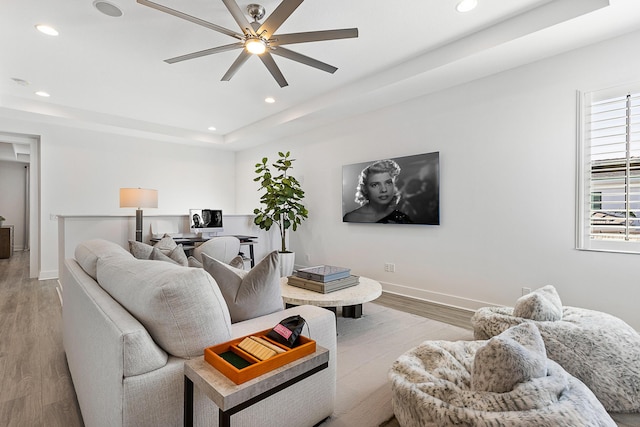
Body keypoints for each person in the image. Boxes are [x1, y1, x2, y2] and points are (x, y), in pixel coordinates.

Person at [343, 159, 413, 223]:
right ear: (365, 189)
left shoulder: (402, 218)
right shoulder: (351, 218)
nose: (384, 190)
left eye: (388, 183)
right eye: (375, 185)